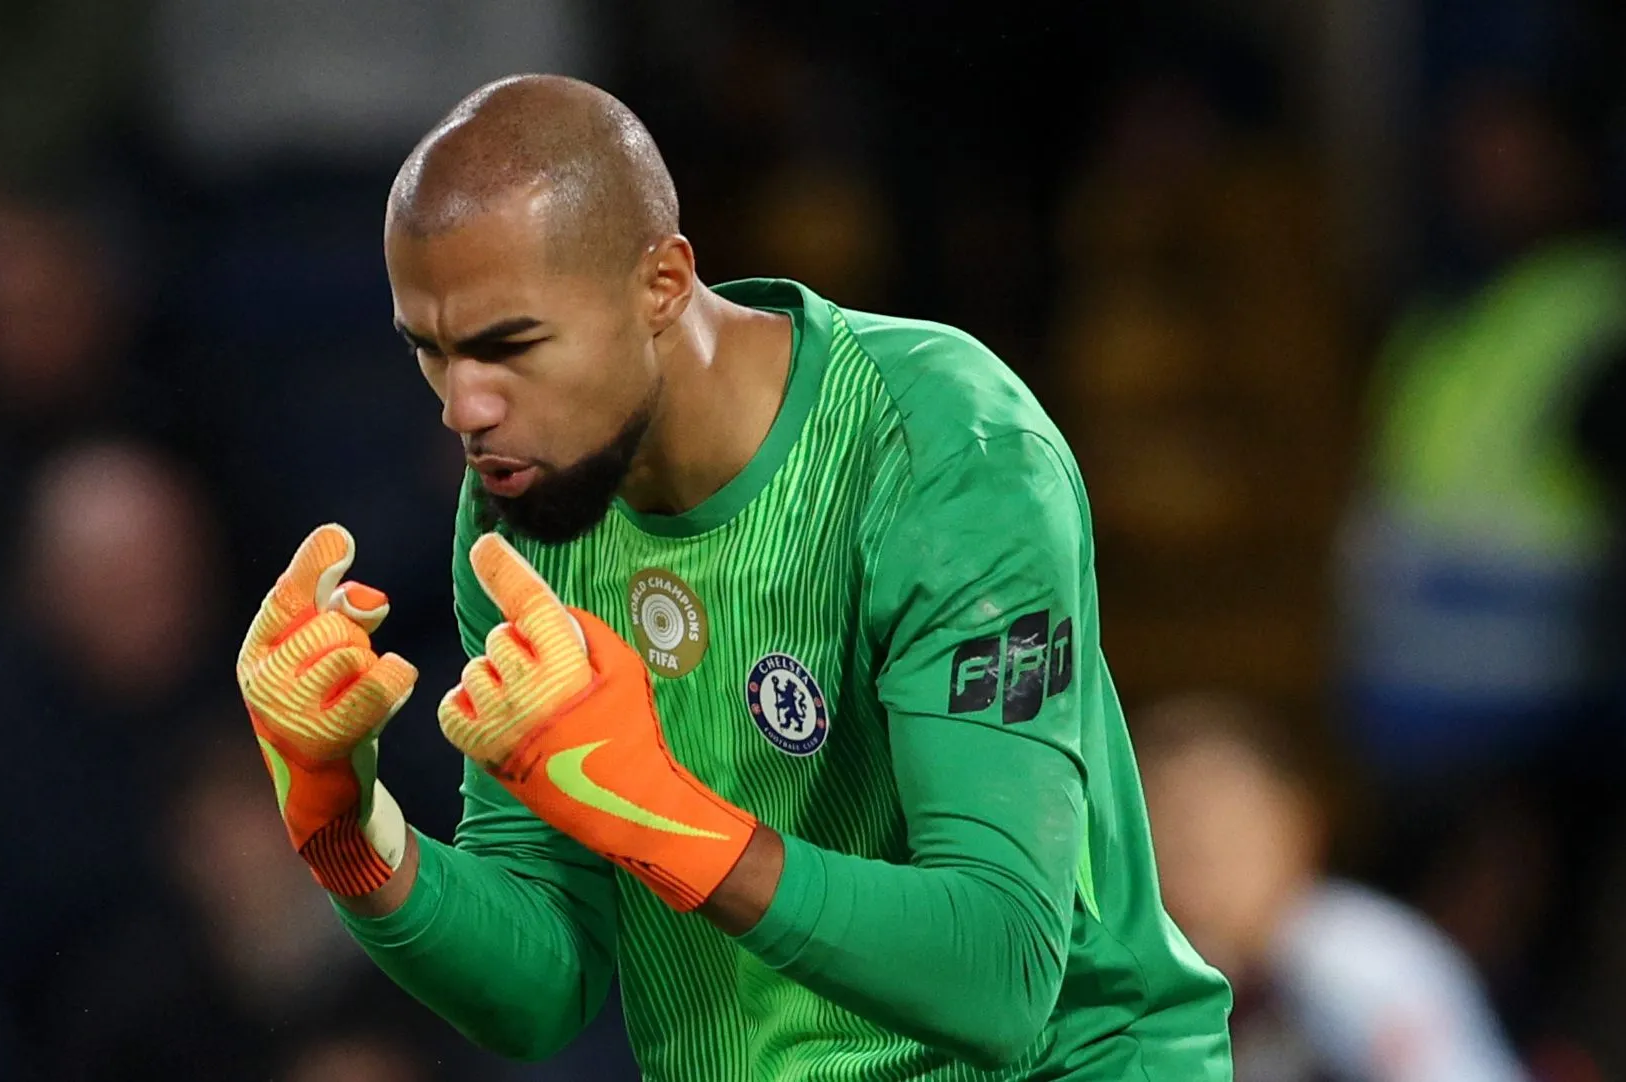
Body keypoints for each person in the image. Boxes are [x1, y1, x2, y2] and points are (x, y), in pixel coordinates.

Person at [233, 74, 1232, 1081]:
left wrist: (655, 809)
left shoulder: (943, 448)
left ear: (661, 283)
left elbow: (1000, 973)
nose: (466, 406)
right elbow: (544, 988)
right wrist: (346, 831)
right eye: (432, 352)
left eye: (510, 345)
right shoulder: (523, 510)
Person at [1137, 693, 1529, 1082]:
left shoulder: (1353, 960)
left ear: (1297, 825)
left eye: (1225, 833)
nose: (1197, 863)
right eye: (1172, 835)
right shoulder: (1182, 977)